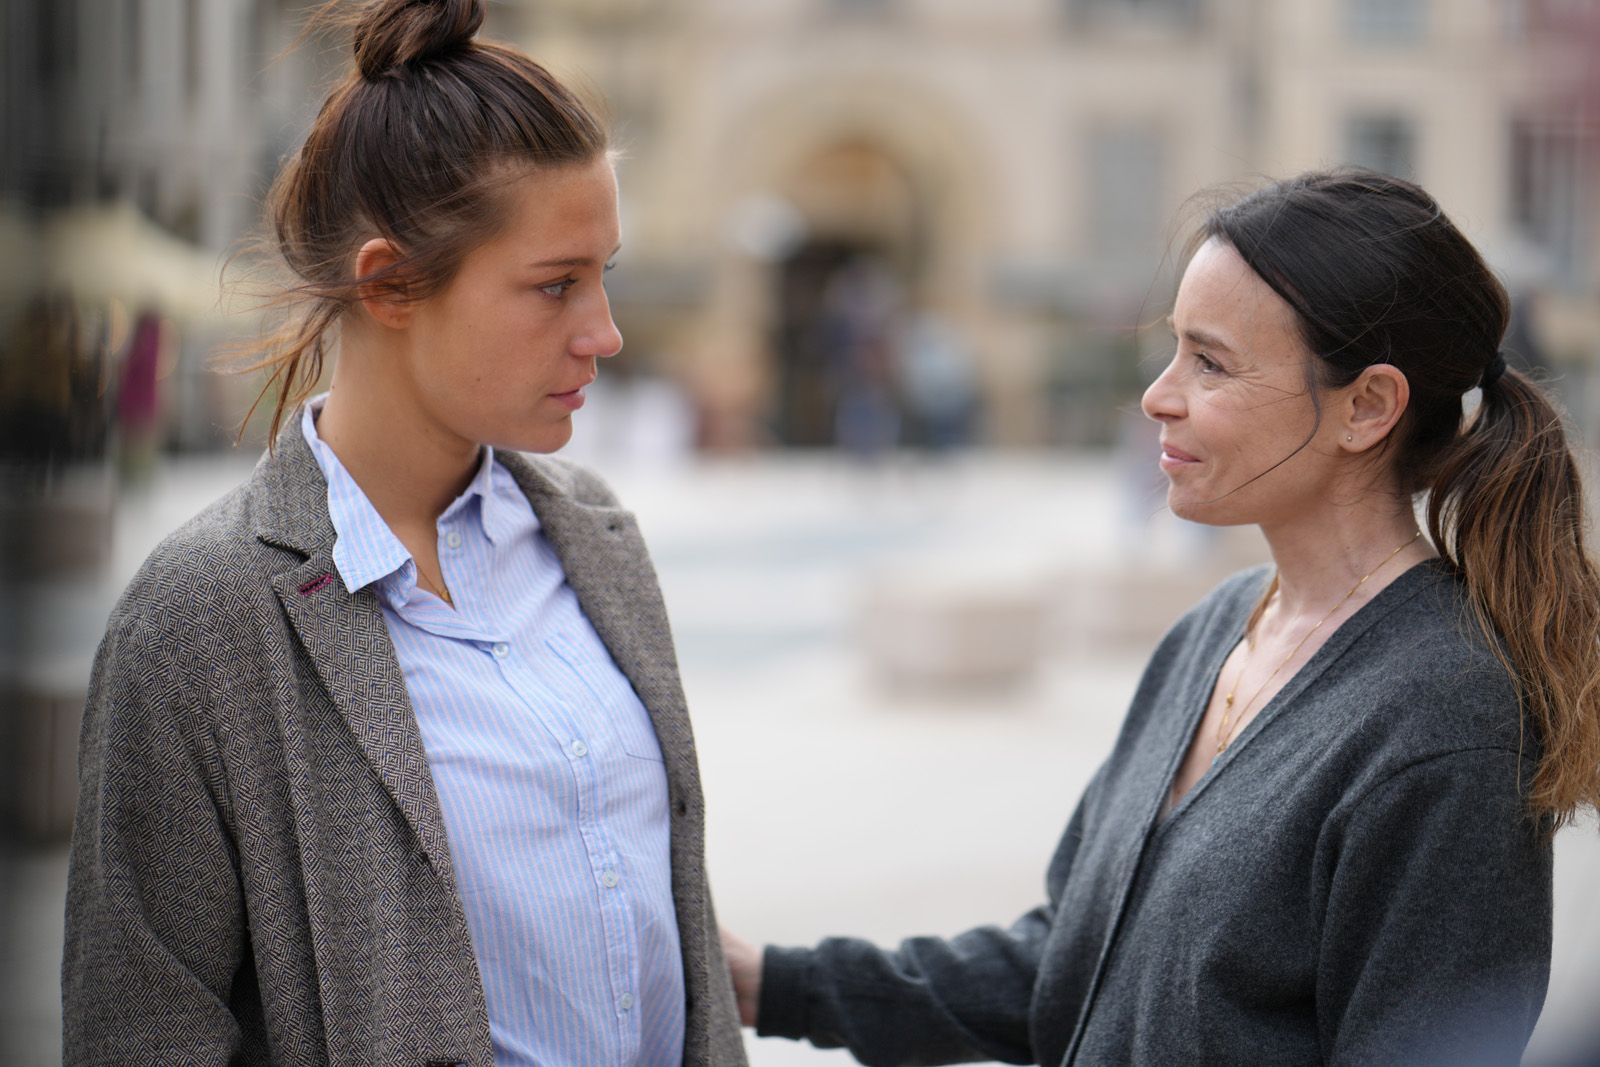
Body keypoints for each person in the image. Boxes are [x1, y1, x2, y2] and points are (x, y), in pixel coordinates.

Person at [722, 169, 1600, 1065]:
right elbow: (1072, 967)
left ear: (1367, 406)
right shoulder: (1215, 629)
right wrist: (776, 981)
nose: (1158, 395)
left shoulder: (1448, 718)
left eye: (1211, 362)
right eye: (1174, 349)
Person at [61, 2, 746, 1064]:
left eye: (604, 273)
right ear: (388, 283)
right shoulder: (201, 617)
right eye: (555, 284)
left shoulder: (599, 539)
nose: (603, 330)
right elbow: (142, 1025)